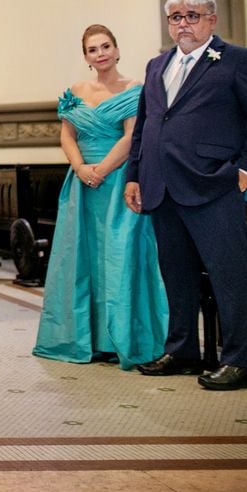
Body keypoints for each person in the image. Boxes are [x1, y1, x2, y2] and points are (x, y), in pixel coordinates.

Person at [126, 0, 247, 390]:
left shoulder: (237, 60)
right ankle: (182, 351)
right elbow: (145, 126)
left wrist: (246, 170)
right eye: (176, 17)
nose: (183, 24)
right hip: (162, 186)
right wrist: (134, 175)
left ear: (211, 20)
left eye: (192, 16)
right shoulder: (156, 65)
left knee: (230, 276)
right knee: (176, 275)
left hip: (213, 185)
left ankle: (241, 360)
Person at [33, 25, 168, 369]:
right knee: (81, 259)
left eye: (106, 46)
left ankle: (120, 338)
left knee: (118, 256)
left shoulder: (135, 88)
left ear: (117, 50)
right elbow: (67, 135)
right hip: (81, 184)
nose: (101, 53)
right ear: (86, 57)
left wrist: (101, 171)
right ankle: (86, 338)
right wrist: (80, 168)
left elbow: (131, 137)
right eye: (93, 49)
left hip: (118, 181)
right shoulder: (76, 90)